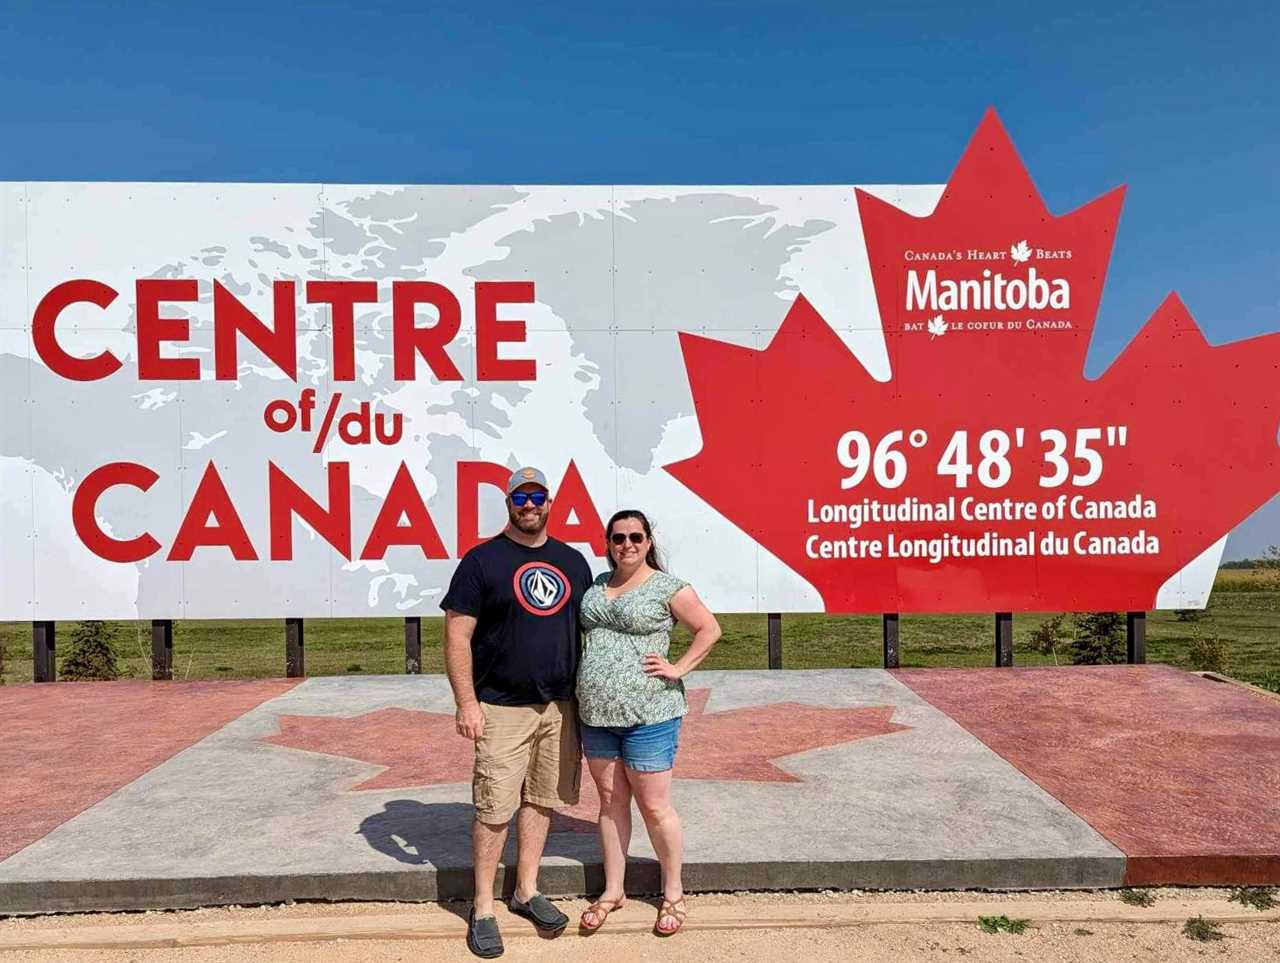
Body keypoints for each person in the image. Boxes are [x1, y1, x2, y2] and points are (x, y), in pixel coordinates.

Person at [441, 466, 595, 959]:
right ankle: (483, 907)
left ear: (551, 502)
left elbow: (591, 632)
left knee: (543, 799)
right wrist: (466, 702)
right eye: (520, 496)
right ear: (509, 502)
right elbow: (456, 635)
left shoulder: (572, 562)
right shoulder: (481, 561)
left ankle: (526, 889)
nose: (530, 504)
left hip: (560, 706)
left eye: (538, 496)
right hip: (501, 707)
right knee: (493, 808)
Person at [575, 509, 721, 937]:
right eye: (618, 538)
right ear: (607, 543)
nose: (627, 545)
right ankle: (613, 891)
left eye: (636, 537)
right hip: (598, 716)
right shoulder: (599, 586)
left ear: (648, 541)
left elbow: (708, 629)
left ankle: (672, 892)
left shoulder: (667, 587)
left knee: (654, 806)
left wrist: (679, 668)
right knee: (609, 803)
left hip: (650, 715)